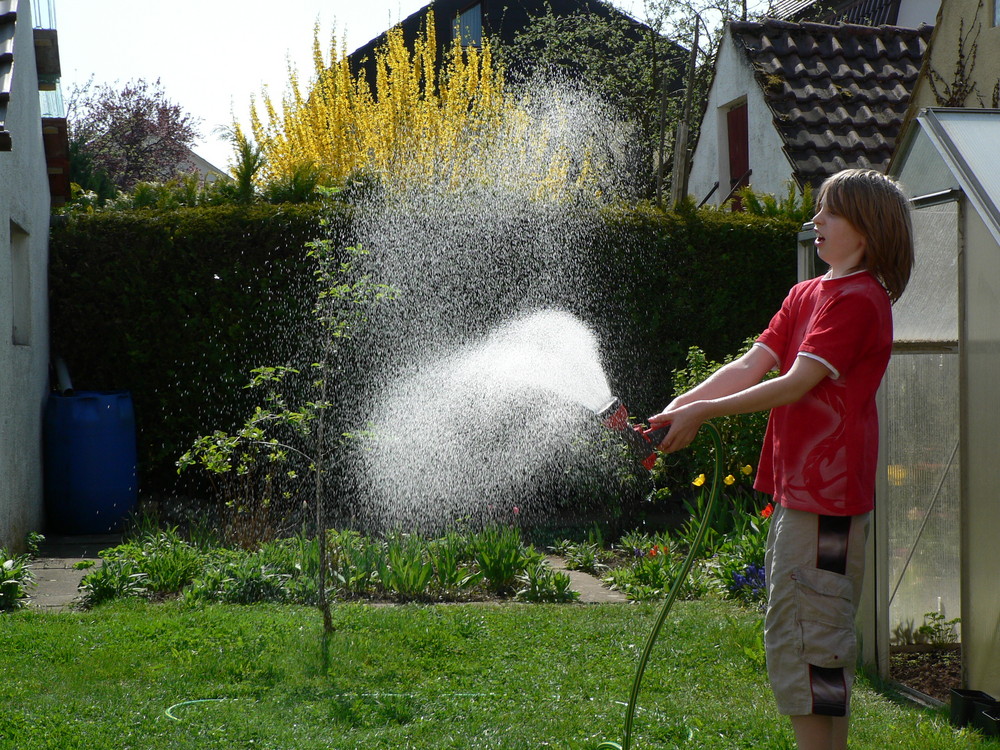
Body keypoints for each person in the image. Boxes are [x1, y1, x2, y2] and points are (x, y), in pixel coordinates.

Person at [647, 168, 914, 750]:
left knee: (809, 642)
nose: (815, 221)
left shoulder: (860, 300)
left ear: (866, 231)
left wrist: (705, 416)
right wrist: (681, 405)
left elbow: (795, 383)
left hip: (828, 502)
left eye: (830, 213)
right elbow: (751, 365)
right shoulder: (809, 294)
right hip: (804, 497)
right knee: (814, 638)